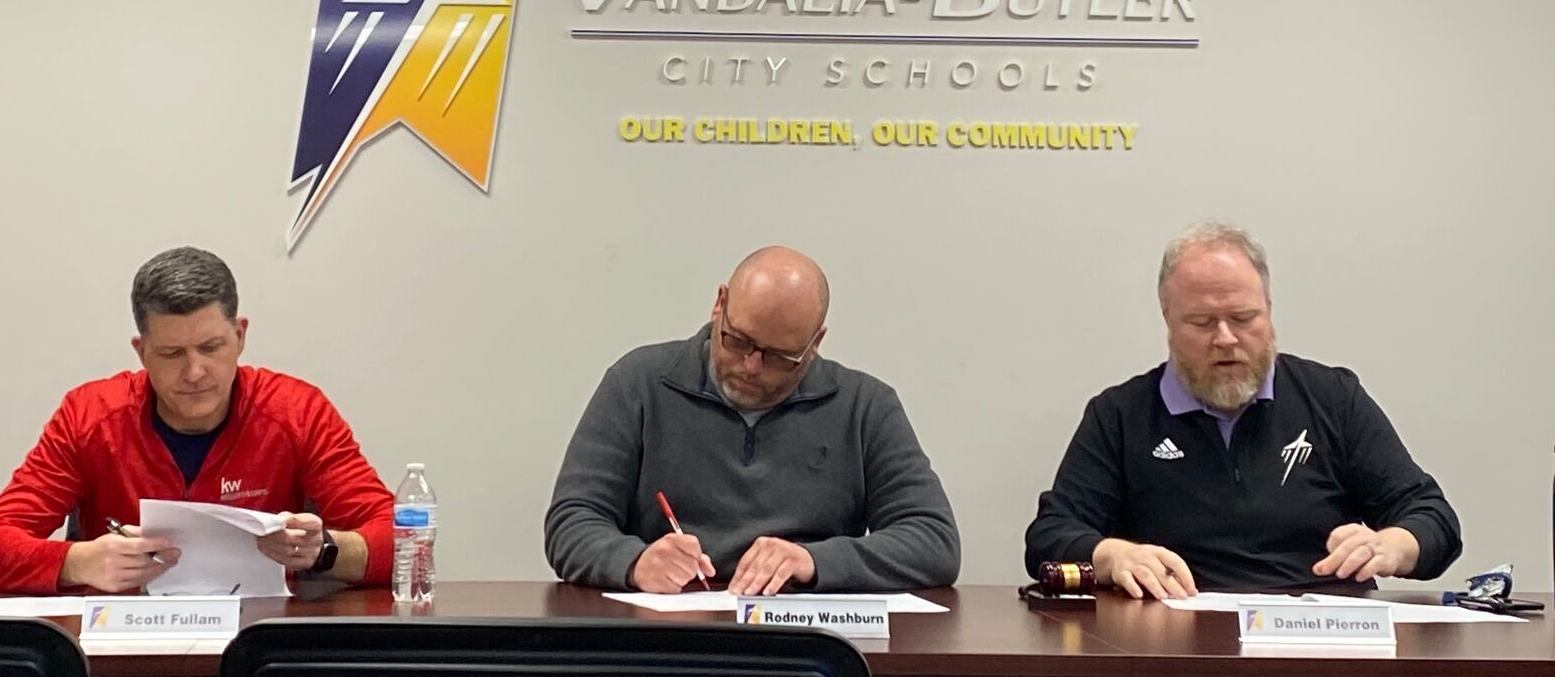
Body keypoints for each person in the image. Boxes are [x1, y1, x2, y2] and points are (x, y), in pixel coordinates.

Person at [1024, 222, 1462, 597]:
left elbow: (1434, 519)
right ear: (1167, 320)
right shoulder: (1121, 414)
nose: (1226, 339)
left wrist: (1395, 545)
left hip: (1321, 638)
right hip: (1174, 641)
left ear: (1269, 312)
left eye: (1243, 318)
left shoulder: (1332, 397)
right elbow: (1049, 536)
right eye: (1202, 323)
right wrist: (1111, 556)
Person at [0, 247, 393, 594]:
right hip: (123, 650)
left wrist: (326, 551)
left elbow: (404, 542)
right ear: (141, 351)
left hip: (257, 645)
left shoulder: (297, 412)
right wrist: (79, 561)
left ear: (240, 336)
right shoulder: (90, 416)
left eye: (211, 347)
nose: (195, 372)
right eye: (172, 354)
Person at [544, 246, 959, 595]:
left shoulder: (865, 405)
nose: (751, 365)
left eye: (778, 356)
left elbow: (934, 542)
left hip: (804, 640)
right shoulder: (639, 383)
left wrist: (813, 560)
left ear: (815, 344)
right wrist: (634, 562)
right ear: (719, 304)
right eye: (737, 340)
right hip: (668, 637)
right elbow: (572, 522)